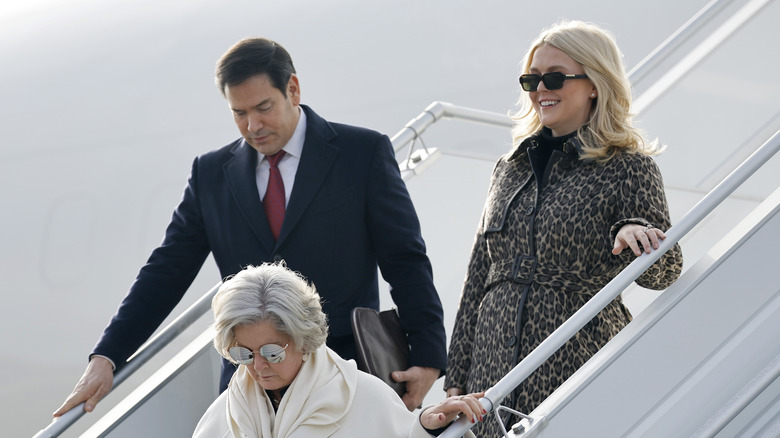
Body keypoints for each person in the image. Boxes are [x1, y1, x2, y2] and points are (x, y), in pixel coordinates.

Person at [54, 37, 446, 418]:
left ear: (292, 89)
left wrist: (427, 356)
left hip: (344, 371)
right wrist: (107, 356)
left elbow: (405, 259)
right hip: (247, 380)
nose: (252, 125)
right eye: (239, 113)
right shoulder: (210, 175)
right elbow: (166, 271)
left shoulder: (361, 153)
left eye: (263, 107)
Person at [443, 20, 684, 436]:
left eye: (553, 77)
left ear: (595, 83)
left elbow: (667, 270)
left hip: (575, 358)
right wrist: (455, 380)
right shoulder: (508, 169)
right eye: (531, 79)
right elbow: (478, 279)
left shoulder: (628, 167)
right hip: (491, 369)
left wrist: (634, 233)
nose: (540, 89)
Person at [193, 262, 482, 437]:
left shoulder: (365, 396)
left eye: (272, 353)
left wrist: (426, 428)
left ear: (304, 340)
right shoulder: (224, 412)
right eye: (243, 354)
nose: (257, 367)